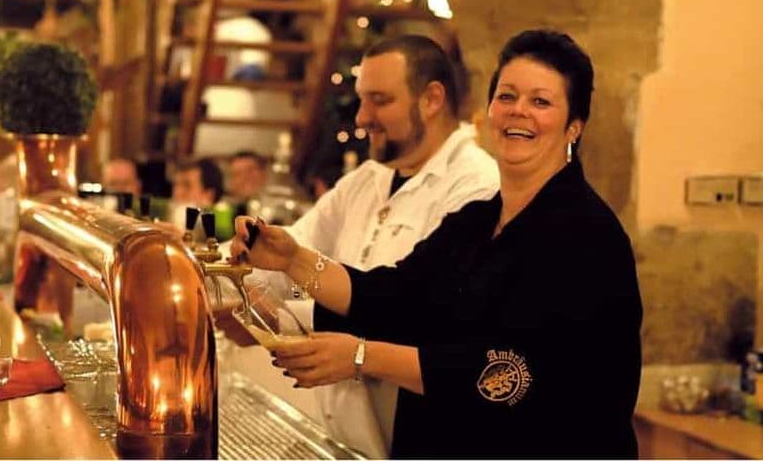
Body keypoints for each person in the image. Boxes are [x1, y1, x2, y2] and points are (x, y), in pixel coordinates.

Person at [231, 29, 643, 458]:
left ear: (574, 126)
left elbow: (507, 372)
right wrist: (293, 259)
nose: (518, 111)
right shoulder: (477, 221)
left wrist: (359, 356)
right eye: (507, 96)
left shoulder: (588, 237)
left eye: (540, 102)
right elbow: (391, 295)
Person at [221, 35, 501, 458]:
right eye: (361, 100)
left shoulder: (476, 186)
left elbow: (417, 314)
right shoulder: (365, 181)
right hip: (346, 443)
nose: (362, 117)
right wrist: (221, 281)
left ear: (432, 98)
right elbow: (278, 264)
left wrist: (297, 309)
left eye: (379, 100)